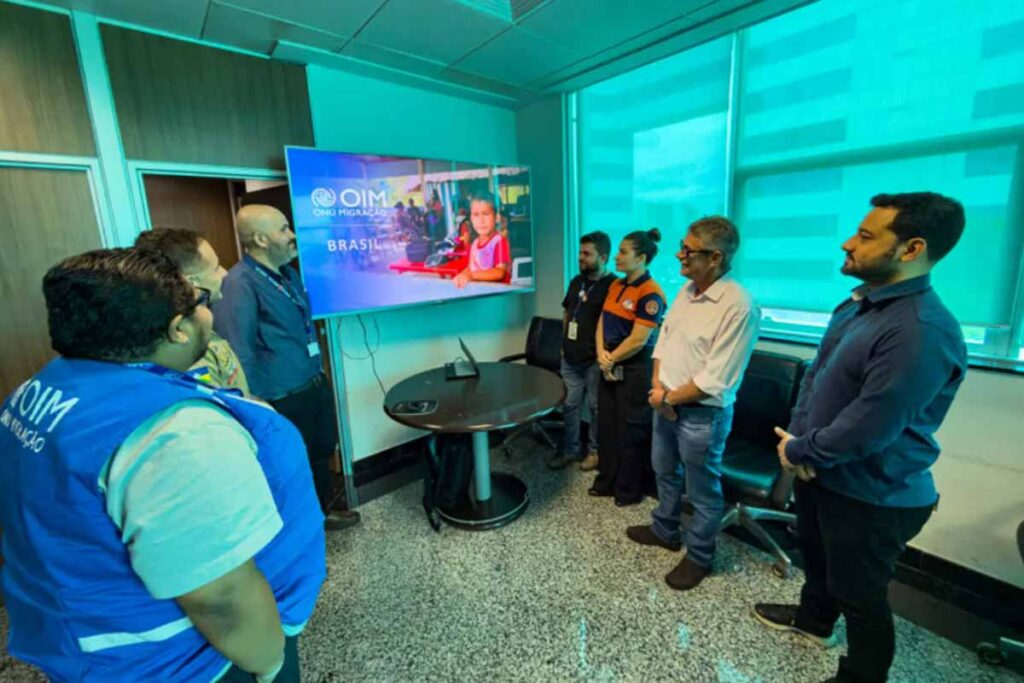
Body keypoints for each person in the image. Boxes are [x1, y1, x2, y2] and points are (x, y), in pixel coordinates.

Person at [0, 248, 325, 681]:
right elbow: (220, 596)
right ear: (177, 329)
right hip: (195, 661)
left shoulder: (39, 389)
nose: (210, 310)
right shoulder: (177, 434)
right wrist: (269, 664)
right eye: (201, 303)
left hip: (89, 643)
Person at [753, 192, 968, 683]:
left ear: (911, 249)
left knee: (861, 596)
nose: (848, 243)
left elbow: (871, 424)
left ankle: (861, 676)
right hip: (819, 472)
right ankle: (813, 622)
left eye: (866, 236)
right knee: (817, 562)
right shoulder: (857, 307)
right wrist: (798, 446)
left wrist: (799, 449)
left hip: (871, 494)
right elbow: (816, 379)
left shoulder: (921, 330)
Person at [625, 217, 759, 591]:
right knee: (664, 472)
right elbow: (663, 343)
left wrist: (666, 398)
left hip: (702, 415)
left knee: (702, 491)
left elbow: (717, 379)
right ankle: (664, 530)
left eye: (687, 249)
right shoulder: (687, 291)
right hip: (664, 402)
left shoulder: (739, 306)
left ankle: (699, 555)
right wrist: (658, 388)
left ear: (715, 257)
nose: (678, 254)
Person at [213, 204, 359, 531]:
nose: (292, 235)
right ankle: (298, 528)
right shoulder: (239, 284)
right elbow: (239, 351)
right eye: (283, 229)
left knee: (320, 451)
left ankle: (322, 513)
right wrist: (253, 404)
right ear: (261, 239)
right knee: (290, 463)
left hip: (311, 383)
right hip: (280, 397)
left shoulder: (288, 275)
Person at [590, 229, 667, 506]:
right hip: (608, 361)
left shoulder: (651, 293)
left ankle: (627, 490)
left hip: (633, 369)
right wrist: (602, 354)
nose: (617, 257)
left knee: (630, 431)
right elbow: (602, 320)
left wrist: (611, 359)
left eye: (623, 252)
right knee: (607, 426)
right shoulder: (616, 285)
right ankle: (606, 481)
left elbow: (638, 339)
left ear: (641, 257)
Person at [134, 227, 250, 395]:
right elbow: (210, 404)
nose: (224, 273)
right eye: (216, 268)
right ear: (191, 282)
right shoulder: (187, 345)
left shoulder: (195, 324)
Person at [548, 231, 616, 471]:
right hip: (571, 357)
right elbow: (567, 312)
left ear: (603, 257)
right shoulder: (577, 281)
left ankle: (595, 452)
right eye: (580, 252)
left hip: (594, 360)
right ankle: (571, 450)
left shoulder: (613, 285)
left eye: (587, 254)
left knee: (596, 408)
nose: (580, 258)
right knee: (570, 405)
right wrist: (563, 345)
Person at [453, 192, 511, 288]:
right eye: (476, 215)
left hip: (497, 292)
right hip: (480, 289)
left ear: (496, 217)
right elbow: (471, 267)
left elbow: (499, 272)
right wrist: (462, 275)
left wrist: (472, 275)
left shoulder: (499, 241)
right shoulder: (475, 244)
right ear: (471, 219)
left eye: (486, 214)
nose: (481, 220)